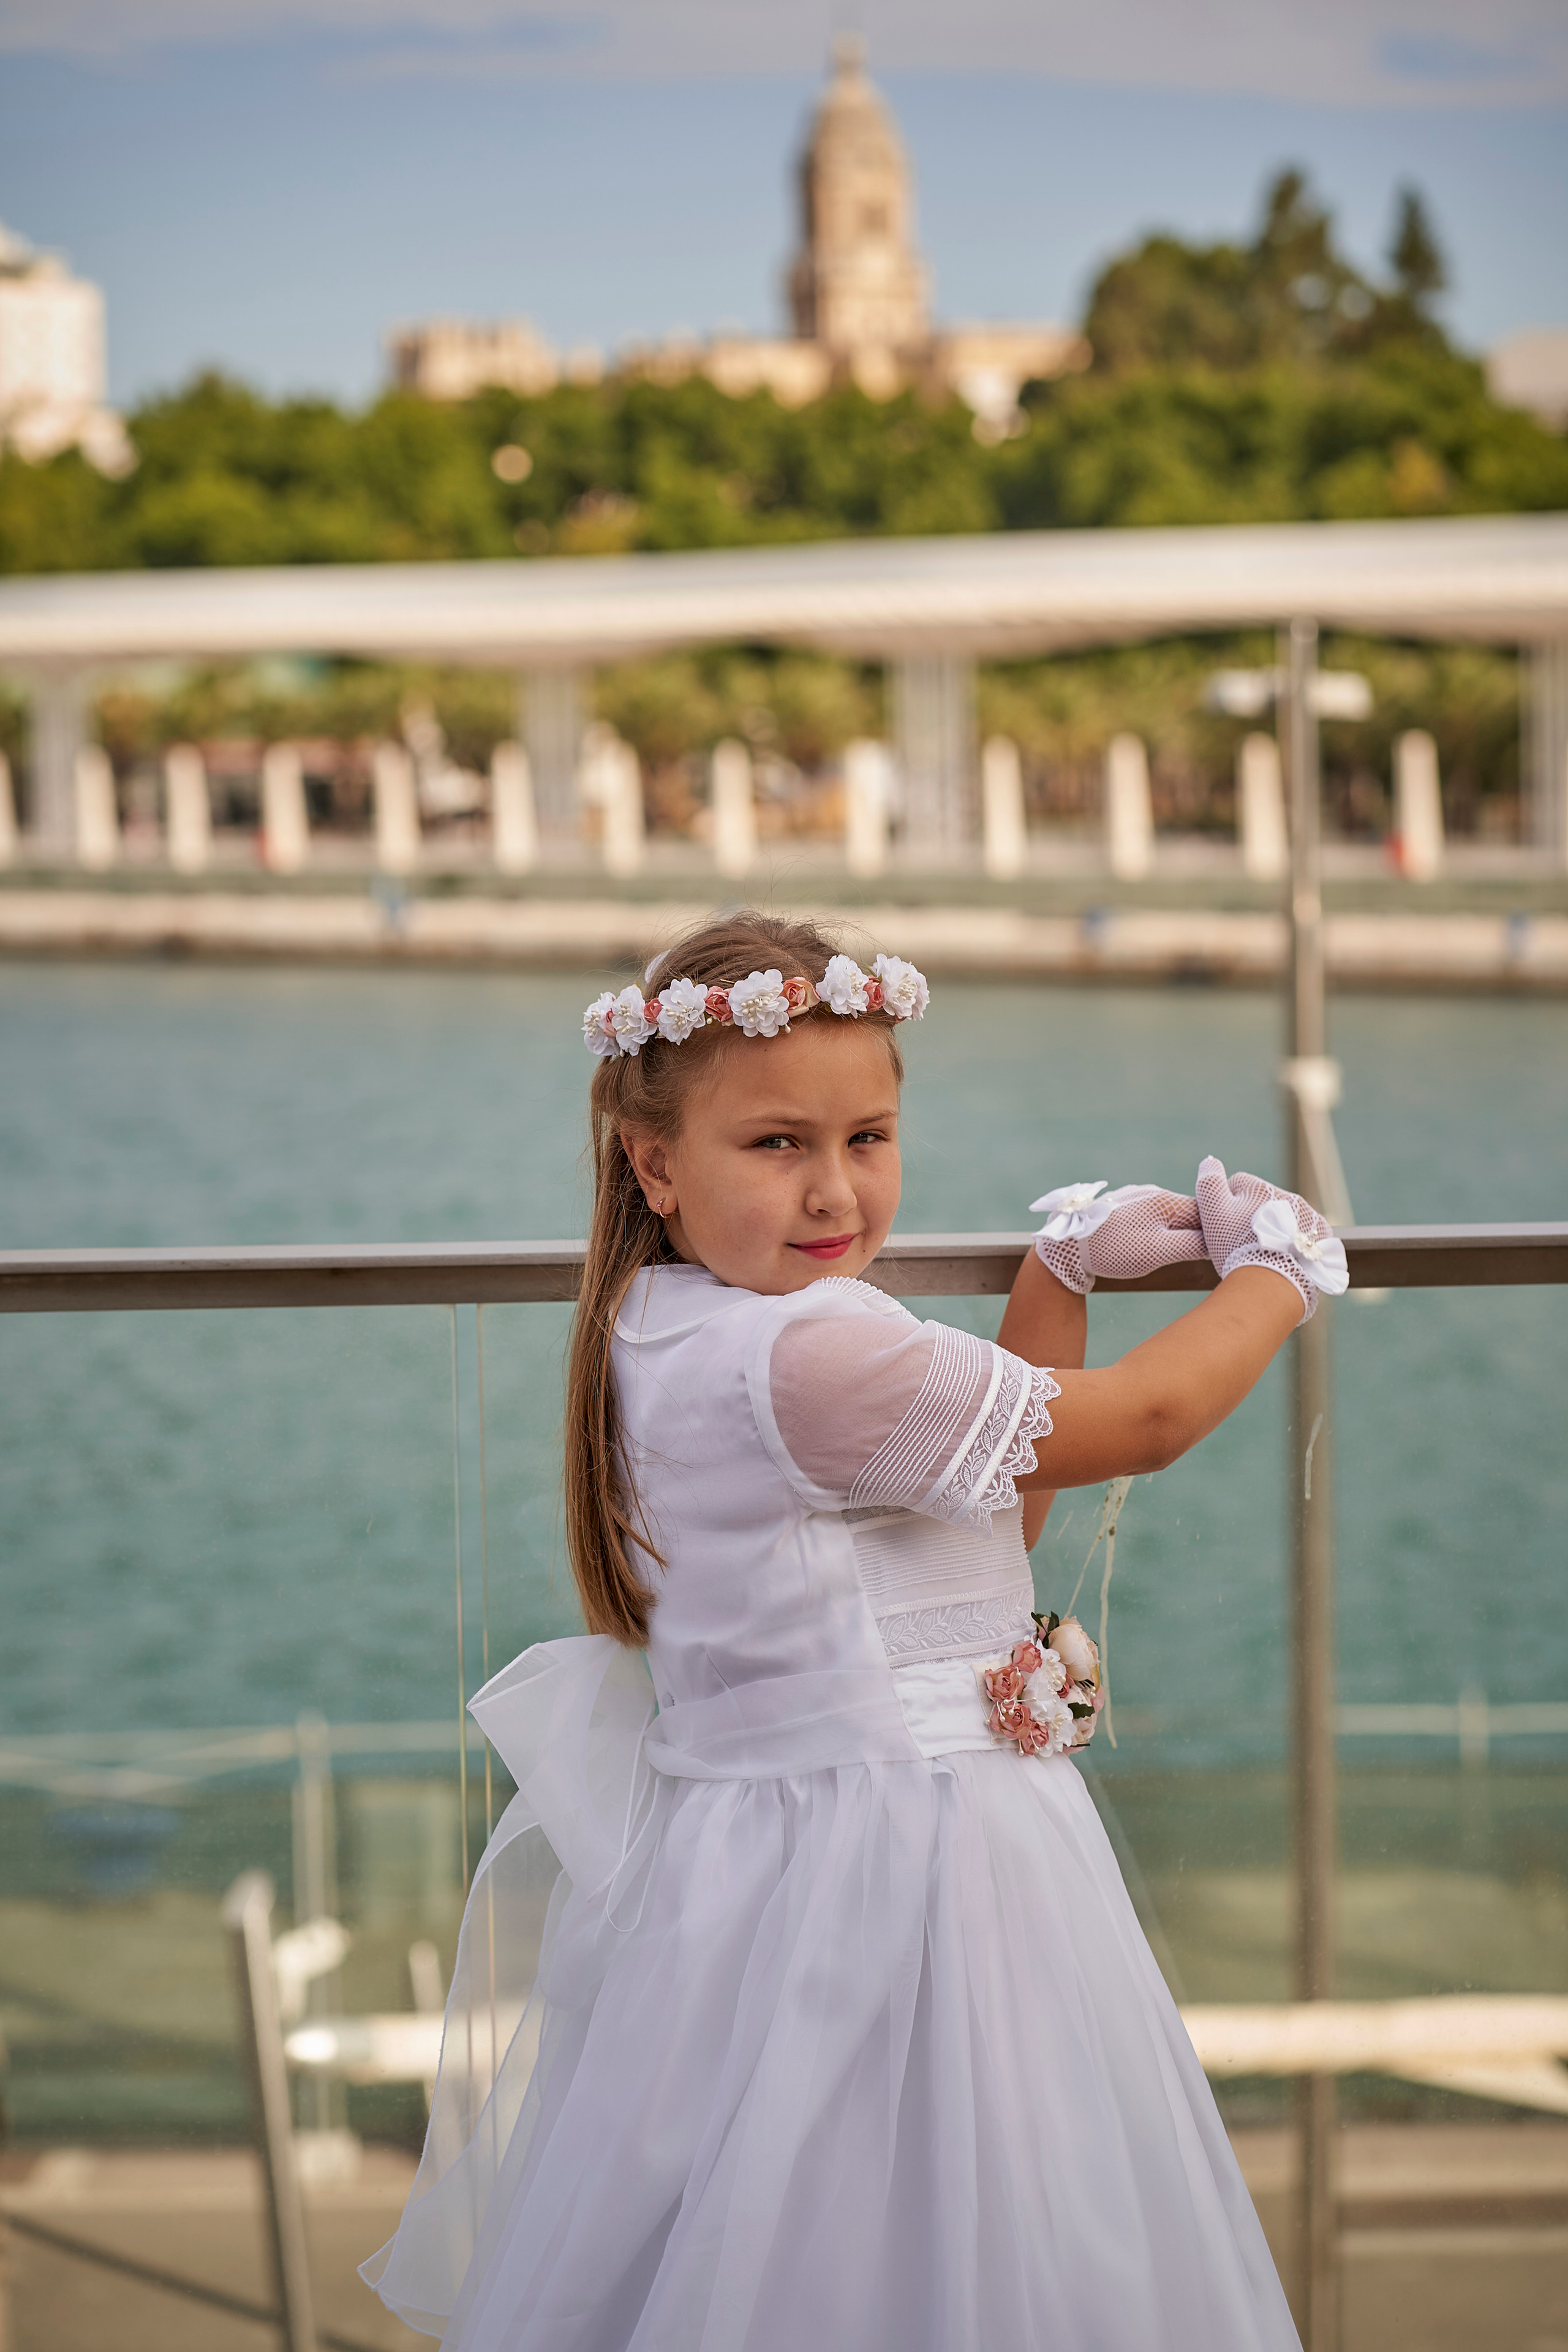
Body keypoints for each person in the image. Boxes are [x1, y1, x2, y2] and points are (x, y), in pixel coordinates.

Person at [366, 910, 1345, 2351]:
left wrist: (1055, 1277)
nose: (834, 1193)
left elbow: (976, 1537)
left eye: (869, 1138)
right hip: (912, 1878)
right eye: (775, 1146)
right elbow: (1147, 1420)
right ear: (655, 1163)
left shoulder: (662, 1321)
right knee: (964, 2238)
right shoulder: (820, 1345)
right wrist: (1281, 1267)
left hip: (762, 1873)